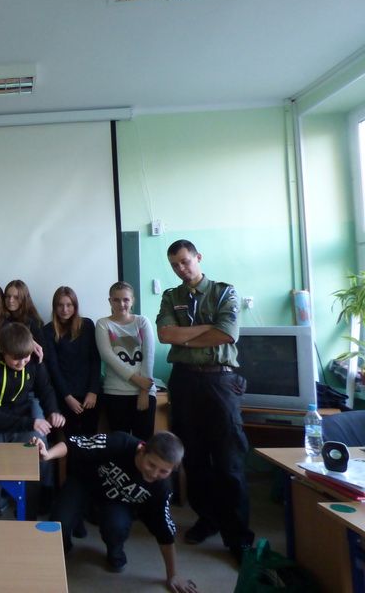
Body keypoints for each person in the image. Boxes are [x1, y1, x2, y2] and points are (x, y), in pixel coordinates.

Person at [156, 239, 253, 561]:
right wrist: (205, 329)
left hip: (220, 381)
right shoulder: (171, 296)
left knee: (229, 461)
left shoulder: (224, 293)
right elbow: (165, 335)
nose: (181, 269)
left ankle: (238, 536)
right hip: (184, 380)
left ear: (198, 257)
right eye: (174, 265)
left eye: (185, 261)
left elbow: (227, 334)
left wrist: (186, 336)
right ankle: (207, 519)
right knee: (193, 458)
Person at [38, 431, 199, 593]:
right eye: (151, 464)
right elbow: (73, 444)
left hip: (117, 501)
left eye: (164, 471)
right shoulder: (121, 442)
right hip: (84, 482)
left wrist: (173, 575)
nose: (154, 473)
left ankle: (115, 551)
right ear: (142, 449)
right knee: (59, 523)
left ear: (173, 469)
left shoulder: (163, 488)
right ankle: (64, 546)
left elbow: (164, 530)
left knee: (116, 526)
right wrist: (47, 454)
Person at [0, 322, 65, 518]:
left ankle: (29, 515)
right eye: (15, 359)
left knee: (36, 455)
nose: (22, 363)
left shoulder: (34, 361)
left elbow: (45, 389)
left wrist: (53, 411)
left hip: (21, 422)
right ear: (2, 351)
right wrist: (31, 423)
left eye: (25, 358)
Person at [95, 281, 157, 440]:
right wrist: (137, 379)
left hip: (144, 392)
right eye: (116, 300)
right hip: (115, 392)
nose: (121, 304)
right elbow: (107, 355)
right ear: (110, 301)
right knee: (121, 444)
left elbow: (149, 355)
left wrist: (144, 390)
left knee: (144, 443)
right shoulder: (103, 324)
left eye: (126, 299)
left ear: (132, 300)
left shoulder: (142, 321)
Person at [42, 286, 101, 437]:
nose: (65, 309)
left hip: (89, 394)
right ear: (55, 307)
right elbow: (53, 367)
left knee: (91, 438)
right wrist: (67, 397)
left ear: (75, 306)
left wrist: (93, 391)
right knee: (71, 440)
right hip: (64, 395)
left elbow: (95, 359)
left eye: (69, 305)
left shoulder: (87, 325)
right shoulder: (48, 330)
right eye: (60, 305)